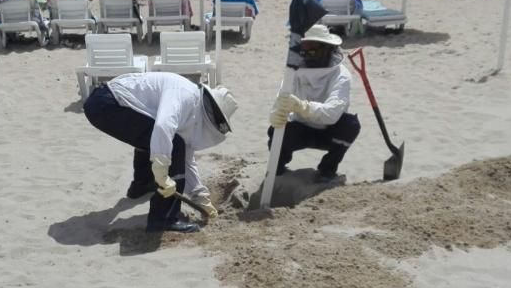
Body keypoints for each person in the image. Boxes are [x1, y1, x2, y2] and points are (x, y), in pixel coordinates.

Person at [83, 73, 237, 233]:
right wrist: (162, 172)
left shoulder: (190, 106)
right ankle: (163, 219)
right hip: (107, 104)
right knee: (172, 144)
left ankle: (141, 186)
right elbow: (163, 127)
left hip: (105, 102)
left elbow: (186, 158)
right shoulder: (186, 95)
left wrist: (200, 196)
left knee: (157, 140)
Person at [268, 24, 360, 184]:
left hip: (329, 132)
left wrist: (302, 106)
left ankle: (327, 169)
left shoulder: (341, 75)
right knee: (275, 131)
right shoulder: (294, 72)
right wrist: (276, 113)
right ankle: (277, 168)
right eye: (305, 46)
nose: (307, 51)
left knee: (350, 125)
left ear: (327, 48)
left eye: (312, 46)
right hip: (301, 129)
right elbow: (281, 99)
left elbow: (332, 113)